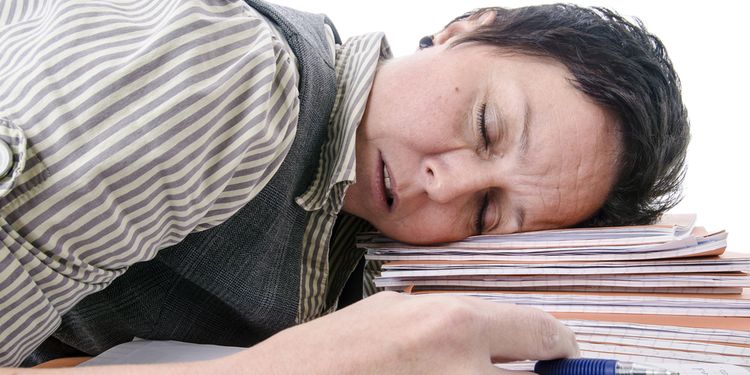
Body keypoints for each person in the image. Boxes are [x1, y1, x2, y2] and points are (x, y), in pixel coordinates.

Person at [0, 0, 688, 372]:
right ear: (467, 27)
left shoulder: (367, 247)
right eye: (485, 124)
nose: (441, 184)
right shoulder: (227, 82)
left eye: (485, 214)